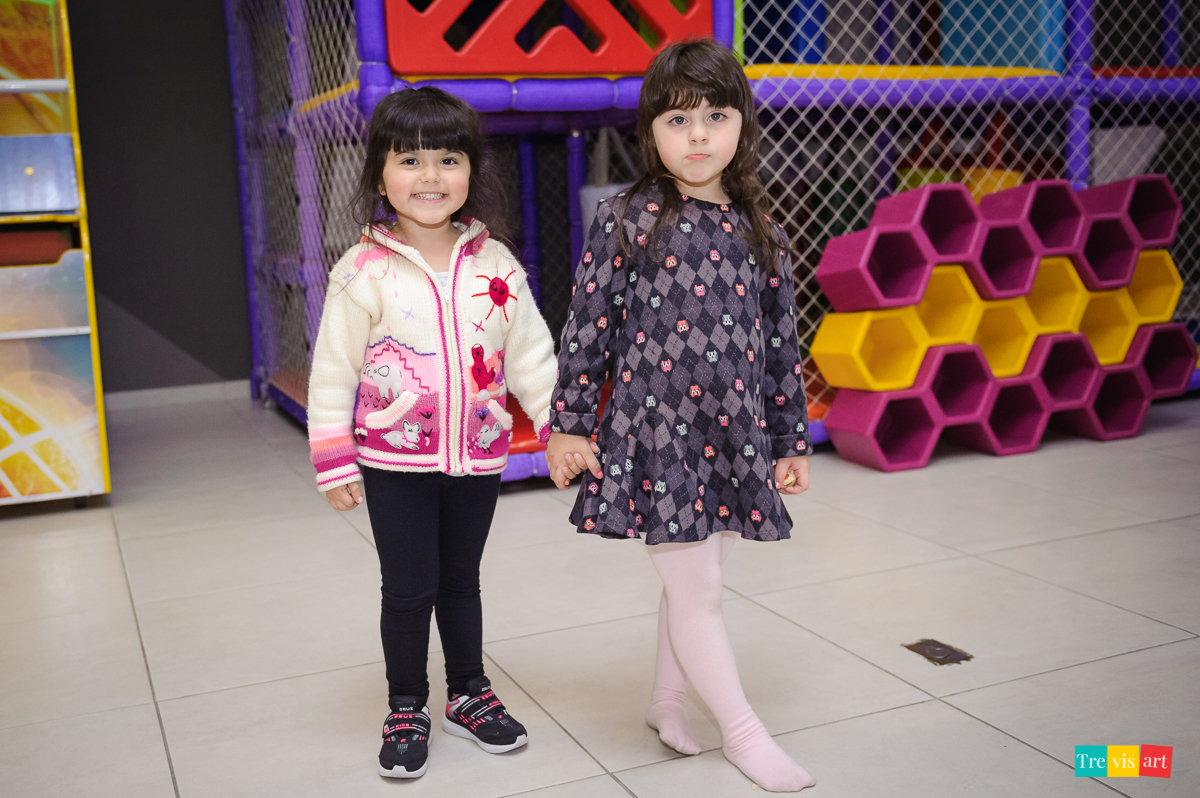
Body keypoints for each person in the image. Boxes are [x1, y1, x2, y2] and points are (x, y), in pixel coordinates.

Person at [545, 40, 816, 793]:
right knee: (699, 589)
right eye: (677, 119)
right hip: (656, 435)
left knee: (694, 575)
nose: (697, 136)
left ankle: (668, 703)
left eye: (715, 116)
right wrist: (569, 423)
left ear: (743, 124)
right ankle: (744, 734)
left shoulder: (760, 226)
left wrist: (789, 436)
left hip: (730, 433)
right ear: (650, 133)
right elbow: (588, 324)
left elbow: (780, 340)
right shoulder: (630, 219)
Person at [307, 87, 557, 779]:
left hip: (477, 455)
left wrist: (558, 427)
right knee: (410, 585)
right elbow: (332, 371)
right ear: (379, 174)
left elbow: (531, 353)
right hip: (394, 461)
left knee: (462, 580)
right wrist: (334, 462)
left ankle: (469, 692)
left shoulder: (495, 264)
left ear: (471, 171)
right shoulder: (362, 270)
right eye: (410, 159)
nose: (429, 177)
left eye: (448, 159)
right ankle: (407, 701)